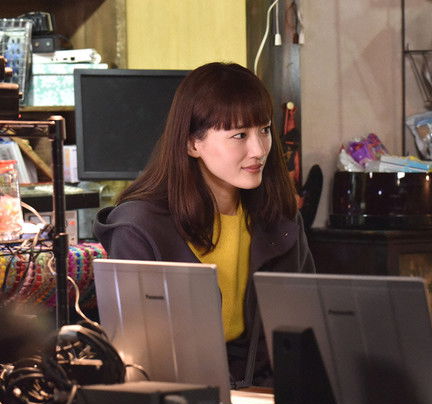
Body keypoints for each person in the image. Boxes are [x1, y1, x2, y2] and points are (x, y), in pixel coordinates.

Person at [93, 62, 315, 386]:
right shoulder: (138, 228)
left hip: (265, 393)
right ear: (192, 143)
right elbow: (139, 360)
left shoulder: (279, 216)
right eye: (240, 135)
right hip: (178, 395)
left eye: (265, 130)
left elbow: (302, 328)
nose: (259, 150)